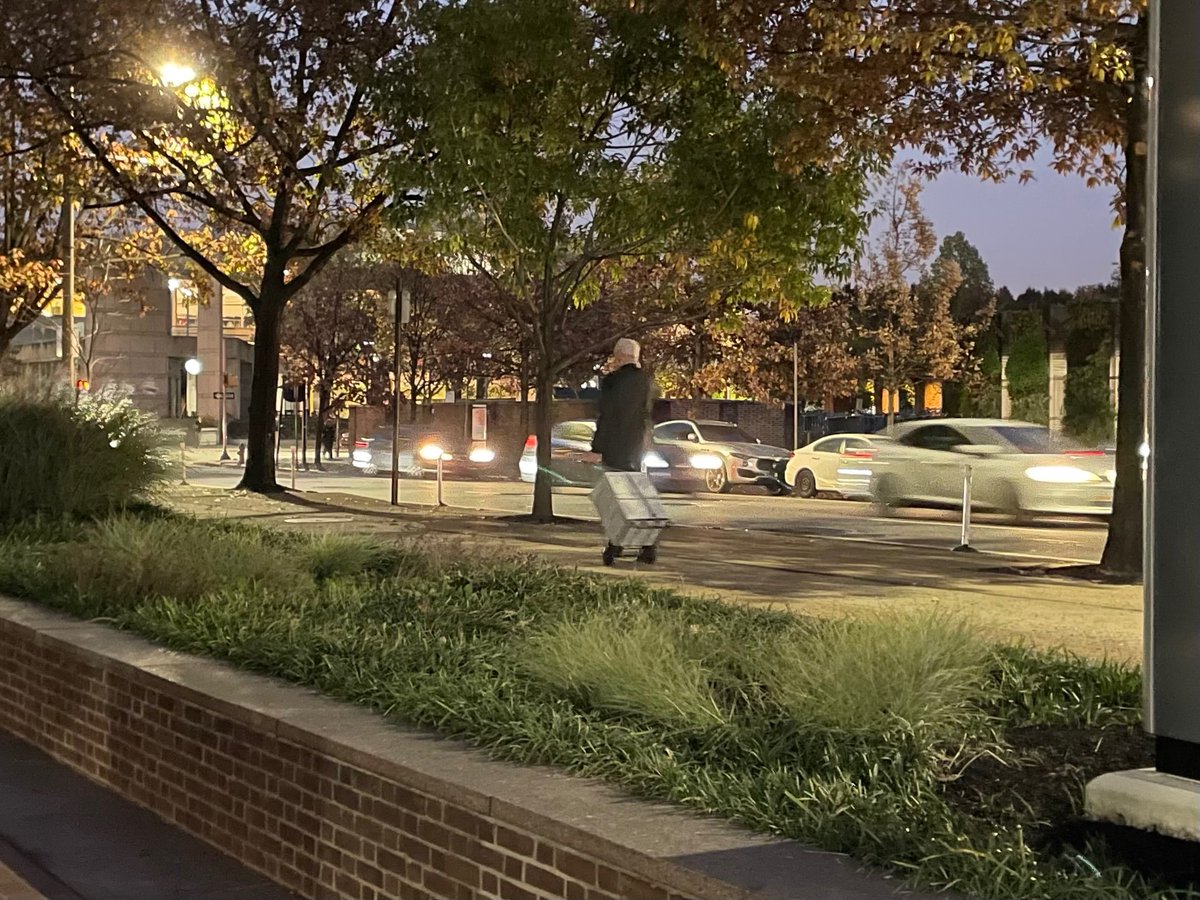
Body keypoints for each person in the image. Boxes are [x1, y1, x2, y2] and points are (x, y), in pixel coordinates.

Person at [591, 338, 658, 564]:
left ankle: (615, 545)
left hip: (616, 446)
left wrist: (597, 447)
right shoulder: (647, 381)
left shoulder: (612, 382)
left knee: (616, 499)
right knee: (639, 496)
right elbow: (648, 413)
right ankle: (648, 545)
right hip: (639, 445)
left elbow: (607, 415)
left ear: (620, 356)